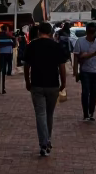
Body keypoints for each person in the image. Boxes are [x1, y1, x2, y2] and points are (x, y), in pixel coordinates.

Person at [23, 21, 67, 157]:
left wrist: (27, 81)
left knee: (40, 114)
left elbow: (26, 66)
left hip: (37, 84)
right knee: (49, 114)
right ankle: (47, 140)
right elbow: (62, 67)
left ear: (38, 32)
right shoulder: (56, 46)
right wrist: (63, 83)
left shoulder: (32, 46)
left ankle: (43, 142)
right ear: (50, 32)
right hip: (53, 84)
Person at [72, 23, 96, 121]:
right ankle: (85, 113)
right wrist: (76, 72)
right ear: (87, 31)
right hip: (85, 71)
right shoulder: (80, 41)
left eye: (93, 32)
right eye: (90, 32)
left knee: (94, 93)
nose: (92, 34)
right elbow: (77, 57)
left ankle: (91, 112)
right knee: (85, 92)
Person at [0, 26, 15, 93]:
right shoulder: (9, 37)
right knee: (9, 63)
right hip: (8, 53)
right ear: (6, 30)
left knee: (1, 67)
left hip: (1, 53)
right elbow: (13, 45)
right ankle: (8, 72)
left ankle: (0, 87)